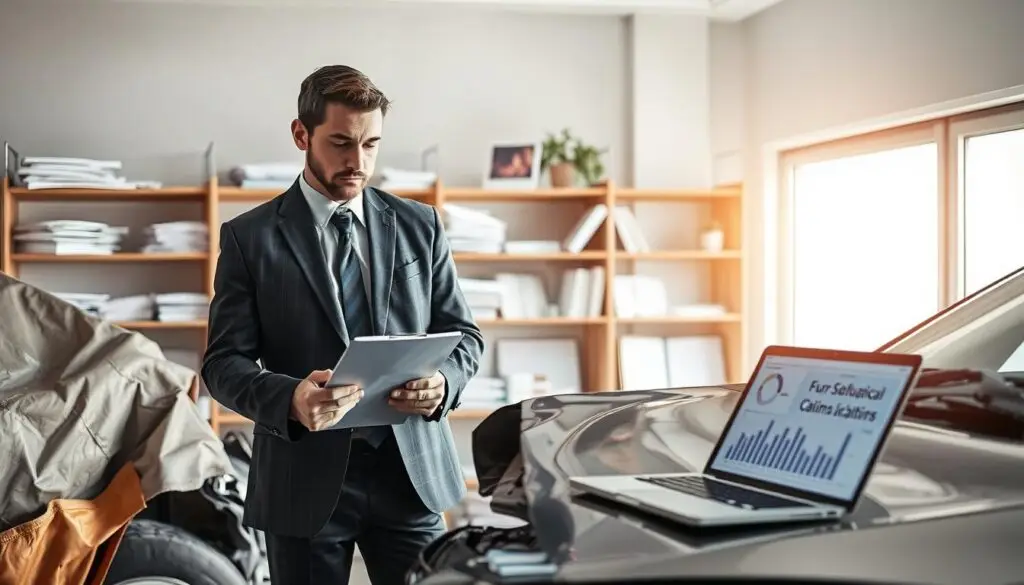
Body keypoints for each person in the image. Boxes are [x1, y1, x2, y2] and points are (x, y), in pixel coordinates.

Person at [201, 64, 484, 585]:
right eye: (341, 143)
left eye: (371, 144)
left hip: (411, 474)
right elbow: (221, 366)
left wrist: (444, 383)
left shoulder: (420, 225)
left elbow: (465, 337)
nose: (359, 162)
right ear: (301, 134)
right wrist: (291, 398)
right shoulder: (249, 238)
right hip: (302, 482)